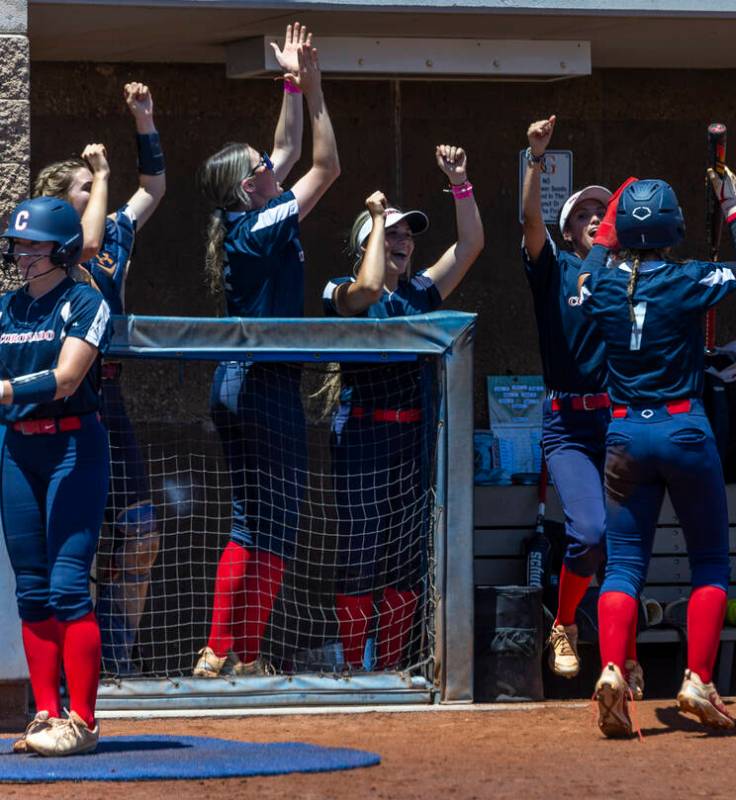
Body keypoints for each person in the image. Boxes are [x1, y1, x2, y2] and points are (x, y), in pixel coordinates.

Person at [580, 168, 736, 737]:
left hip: (625, 434)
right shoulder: (686, 279)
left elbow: (583, 279)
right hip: (684, 430)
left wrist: (606, 238)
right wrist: (731, 203)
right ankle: (698, 679)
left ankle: (613, 669)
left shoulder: (602, 283)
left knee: (625, 566)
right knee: (709, 561)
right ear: (670, 226)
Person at [194, 22, 340, 677]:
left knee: (262, 521)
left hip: (247, 381)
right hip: (260, 384)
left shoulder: (252, 211)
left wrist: (287, 75)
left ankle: (230, 654)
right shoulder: (258, 225)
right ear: (245, 187)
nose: (269, 165)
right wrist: (314, 91)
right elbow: (325, 166)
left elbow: (283, 147)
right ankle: (227, 652)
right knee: (265, 524)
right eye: (259, 167)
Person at [325, 148, 482, 672]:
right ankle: (353, 669)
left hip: (413, 440)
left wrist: (460, 183)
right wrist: (373, 218)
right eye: (391, 235)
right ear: (364, 243)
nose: (403, 242)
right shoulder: (341, 290)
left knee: (403, 559)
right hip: (363, 436)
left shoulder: (418, 291)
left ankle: (391, 668)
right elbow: (367, 289)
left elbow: (471, 246)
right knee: (359, 554)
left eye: (406, 236)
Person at [33, 81, 167, 676]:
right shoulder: (63, 238)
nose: (99, 196)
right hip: (66, 391)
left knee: (141, 530)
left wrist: (144, 121)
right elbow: (86, 242)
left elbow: (154, 189)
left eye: (96, 186)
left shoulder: (116, 229)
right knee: (72, 543)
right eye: (86, 189)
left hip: (108, 391)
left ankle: (116, 656)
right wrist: (101, 174)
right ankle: (74, 665)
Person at [520, 115, 643, 695]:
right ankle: (565, 623)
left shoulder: (630, 276)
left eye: (605, 212)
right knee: (589, 531)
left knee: (624, 543)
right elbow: (528, 224)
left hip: (620, 418)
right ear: (569, 230)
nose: (596, 217)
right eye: (585, 214)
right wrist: (534, 157)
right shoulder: (558, 269)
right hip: (568, 421)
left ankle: (624, 657)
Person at [0, 197, 112, 756]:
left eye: (34, 245)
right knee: (32, 589)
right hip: (18, 450)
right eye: (18, 244)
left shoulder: (85, 300)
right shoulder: (5, 309)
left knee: (69, 585)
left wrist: (7, 390)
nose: (22, 254)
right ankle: (45, 716)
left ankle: (84, 722)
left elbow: (67, 378)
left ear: (62, 249)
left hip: (74, 447)